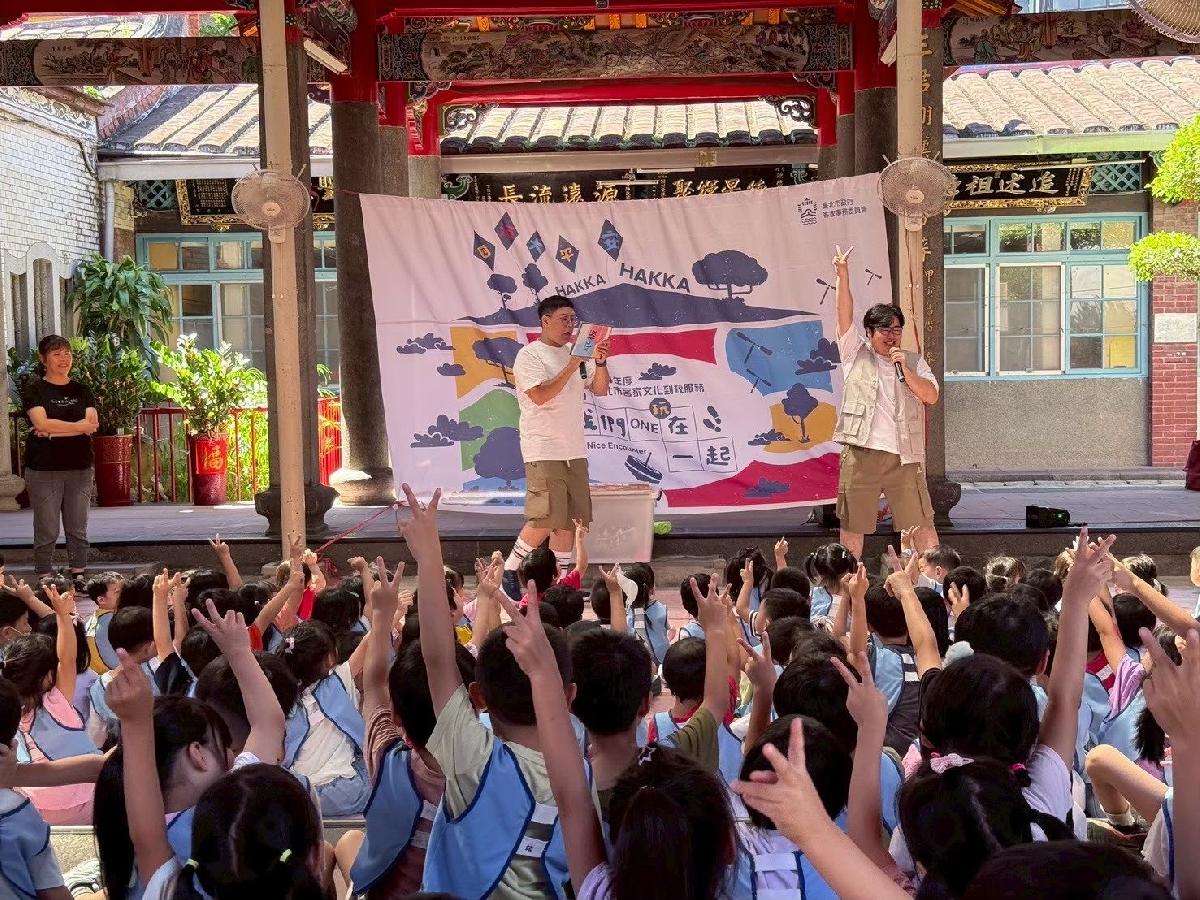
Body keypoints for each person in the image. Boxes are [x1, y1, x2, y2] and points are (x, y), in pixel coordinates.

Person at [831, 247, 939, 560]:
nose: (891, 336)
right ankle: (846, 583)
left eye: (896, 329)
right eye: (884, 330)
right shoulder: (854, 353)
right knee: (852, 527)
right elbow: (844, 314)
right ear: (869, 332)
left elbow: (931, 396)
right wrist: (842, 275)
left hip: (903, 456)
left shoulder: (913, 361)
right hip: (861, 453)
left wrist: (904, 368)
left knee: (921, 524)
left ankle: (937, 580)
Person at [505, 296, 611, 580]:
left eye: (573, 320)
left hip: (574, 448)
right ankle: (509, 571)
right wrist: (572, 364)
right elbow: (540, 396)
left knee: (571, 521)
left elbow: (600, 389)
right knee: (546, 516)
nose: (570, 326)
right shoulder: (530, 355)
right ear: (545, 321)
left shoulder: (575, 354)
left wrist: (600, 362)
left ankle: (559, 582)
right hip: (543, 447)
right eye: (564, 319)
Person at [22, 335, 99, 578]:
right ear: (43, 359)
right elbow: (41, 422)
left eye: (67, 353)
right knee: (47, 527)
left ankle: (79, 574)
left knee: (78, 526)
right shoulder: (34, 389)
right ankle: (45, 575)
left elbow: (92, 424)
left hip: (80, 466)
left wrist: (52, 431)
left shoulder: (82, 390)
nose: (64, 358)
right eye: (56, 354)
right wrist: (77, 427)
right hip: (44, 468)